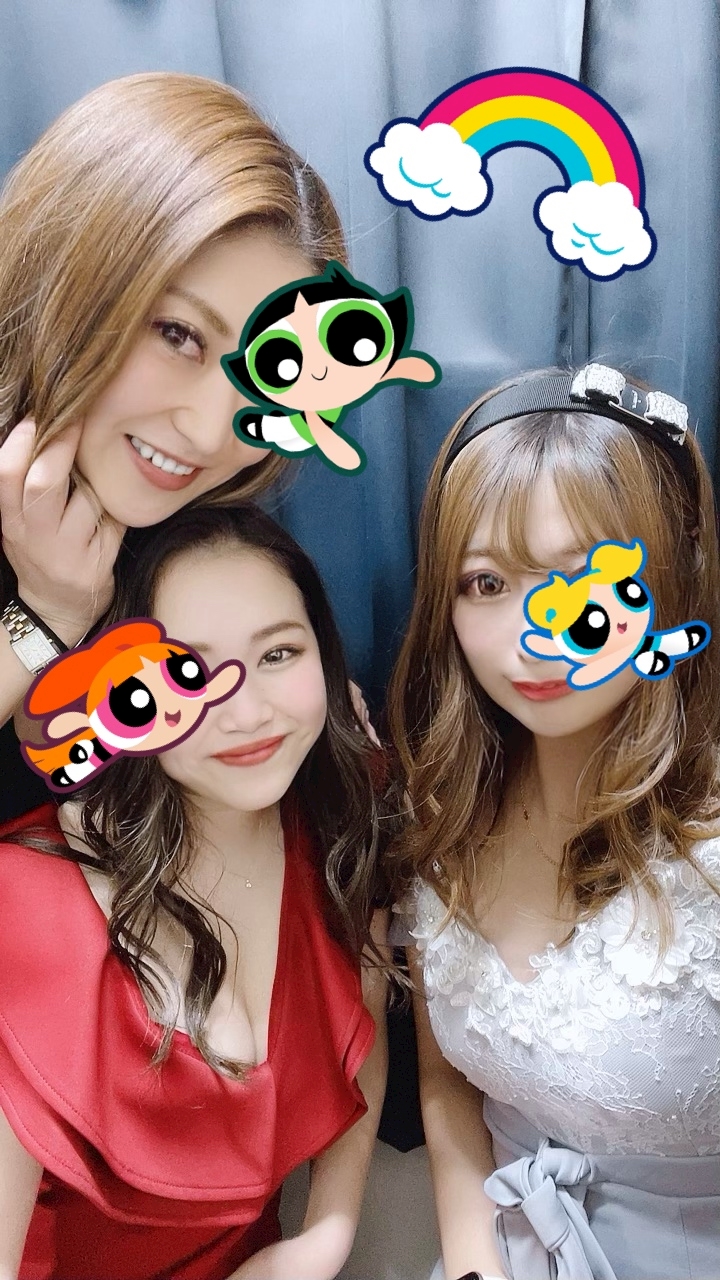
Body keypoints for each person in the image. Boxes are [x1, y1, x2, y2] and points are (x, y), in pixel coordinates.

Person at [387, 365, 720, 1280]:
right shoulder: (442, 810)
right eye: (487, 583)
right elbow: (444, 1082)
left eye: (580, 580)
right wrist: (472, 1259)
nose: (534, 636)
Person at [0, 500, 389, 1280]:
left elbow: (363, 1030)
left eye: (278, 654)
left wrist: (323, 1237)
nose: (245, 713)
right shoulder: (30, 909)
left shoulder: (339, 833)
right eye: (188, 673)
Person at [0, 70, 348, 820]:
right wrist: (44, 617)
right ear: (69, 286)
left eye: (271, 376)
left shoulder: (183, 538)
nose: (212, 430)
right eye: (179, 334)